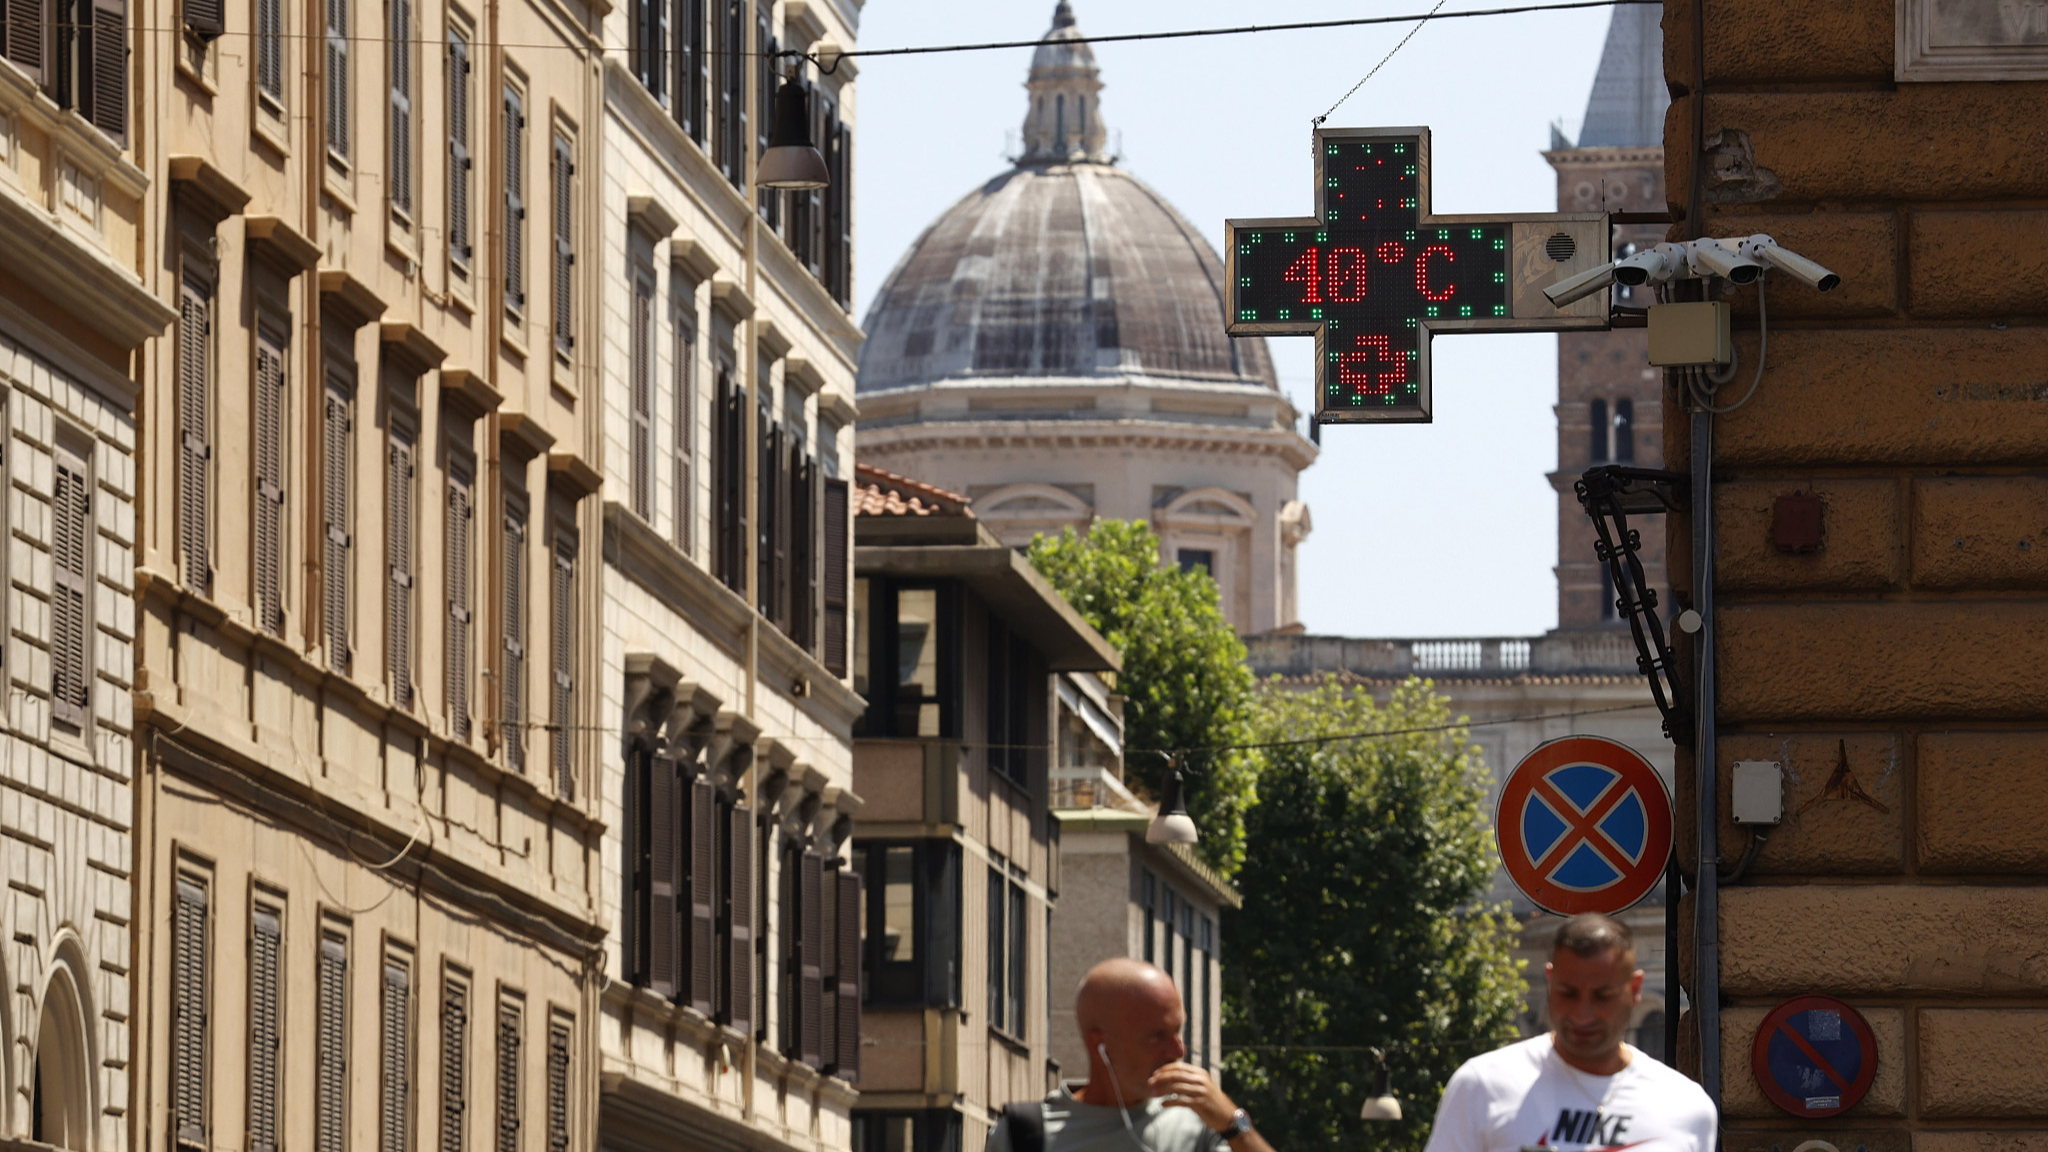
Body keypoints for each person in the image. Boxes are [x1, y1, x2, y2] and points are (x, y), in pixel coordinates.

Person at [1424, 913, 1715, 1152]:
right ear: (1550, 981)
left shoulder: (1687, 1106)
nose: (1582, 1015)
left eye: (1603, 996)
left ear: (1635, 990)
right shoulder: (1482, 1087)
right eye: (1568, 993)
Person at [985, 958, 1276, 1152]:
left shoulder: (1199, 1124)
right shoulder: (1023, 1136)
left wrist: (1235, 1126)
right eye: (1156, 1036)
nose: (1178, 1051)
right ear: (1101, 1045)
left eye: (1178, 1031)